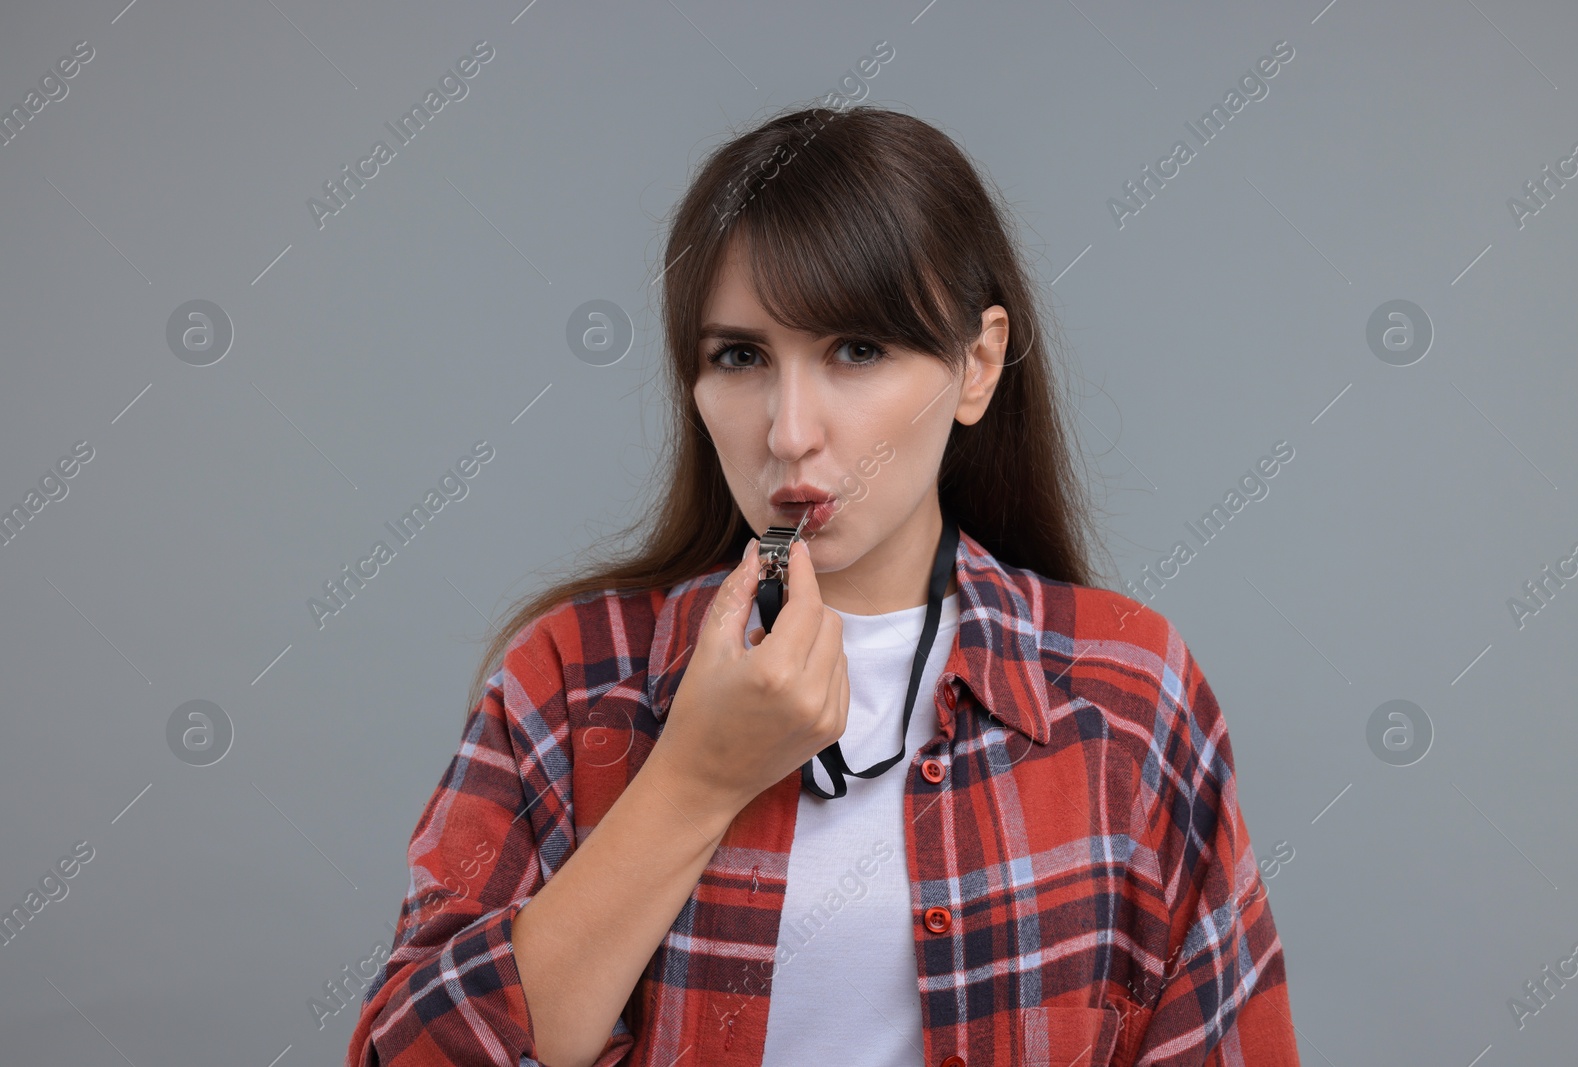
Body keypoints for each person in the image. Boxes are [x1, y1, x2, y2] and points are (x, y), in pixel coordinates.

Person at [345, 104, 1300, 1067]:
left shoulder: (1126, 690)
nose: (790, 431)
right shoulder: (572, 680)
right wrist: (693, 780)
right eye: (741, 357)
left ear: (976, 365)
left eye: (857, 349)